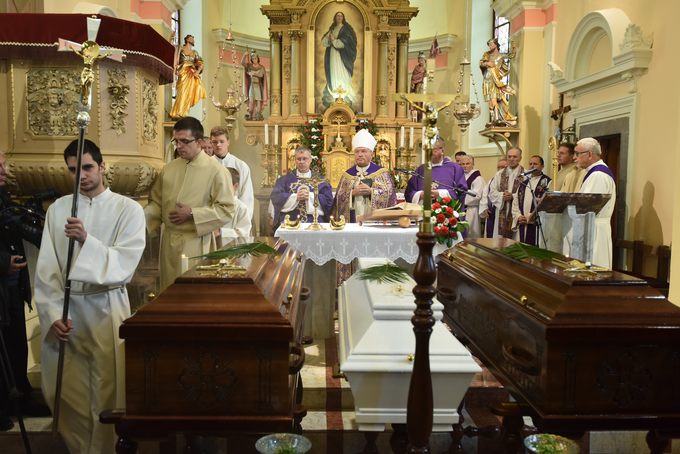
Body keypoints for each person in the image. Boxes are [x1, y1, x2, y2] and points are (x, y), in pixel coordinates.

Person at [35, 140, 145, 453]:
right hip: (68, 311)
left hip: (106, 306)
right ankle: (80, 448)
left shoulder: (128, 209)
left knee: (107, 386)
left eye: (87, 167)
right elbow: (47, 269)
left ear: (101, 166)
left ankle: (107, 448)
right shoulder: (58, 210)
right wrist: (53, 314)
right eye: (73, 170)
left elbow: (124, 263)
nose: (81, 175)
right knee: (67, 389)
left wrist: (86, 240)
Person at [145, 117, 235, 292]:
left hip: (196, 242)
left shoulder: (217, 171)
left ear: (199, 142)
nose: (179, 146)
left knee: (193, 295)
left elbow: (226, 209)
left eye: (185, 142)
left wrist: (193, 214)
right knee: (168, 294)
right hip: (169, 243)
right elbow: (156, 203)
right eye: (176, 141)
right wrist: (136, 221)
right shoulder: (168, 169)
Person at [0, 152, 51, 431]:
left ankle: (22, 397)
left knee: (16, 344)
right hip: (2, 281)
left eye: (4, 165)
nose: (5, 172)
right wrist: (3, 262)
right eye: (0, 167)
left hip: (13, 287)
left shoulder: (3, 196)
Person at [332, 129, 397, 223]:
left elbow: (390, 195)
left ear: (372, 154)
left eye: (363, 151)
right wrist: (352, 193)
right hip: (353, 221)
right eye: (357, 152)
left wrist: (371, 192)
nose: (360, 155)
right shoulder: (347, 175)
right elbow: (338, 199)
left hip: (374, 223)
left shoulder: (382, 173)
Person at [575, 137, 616, 268]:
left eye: (577, 153)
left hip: (594, 229)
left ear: (589, 154)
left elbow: (588, 206)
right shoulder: (593, 173)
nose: (574, 157)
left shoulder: (598, 175)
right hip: (591, 227)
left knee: (594, 268)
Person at [271, 147, 333, 232]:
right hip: (290, 223)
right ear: (295, 160)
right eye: (299, 159)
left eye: (304, 159)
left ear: (310, 159)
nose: (302, 162)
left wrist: (311, 196)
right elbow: (276, 198)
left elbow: (329, 203)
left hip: (315, 224)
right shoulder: (283, 181)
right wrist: (295, 197)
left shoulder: (321, 182)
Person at [405, 138, 467, 207]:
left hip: (446, 215)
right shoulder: (420, 169)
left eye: (432, 150)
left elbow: (461, 192)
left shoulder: (455, 168)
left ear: (442, 151)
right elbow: (409, 193)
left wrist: (440, 194)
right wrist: (420, 195)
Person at [211, 126, 254, 221]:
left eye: (222, 141)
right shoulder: (206, 165)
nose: (218, 145)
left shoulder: (240, 166)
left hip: (235, 216)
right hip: (212, 217)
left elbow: (246, 196)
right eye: (215, 142)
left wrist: (243, 220)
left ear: (228, 142)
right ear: (211, 143)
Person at [511, 155, 552, 246]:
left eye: (535, 164)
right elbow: (515, 203)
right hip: (523, 223)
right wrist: (518, 216)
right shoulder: (523, 183)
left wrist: (531, 217)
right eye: (530, 164)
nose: (532, 166)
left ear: (542, 167)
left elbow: (547, 203)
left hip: (536, 225)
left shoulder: (547, 182)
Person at [321, 11, 358, 108]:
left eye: (341, 16)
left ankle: (345, 95)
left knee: (343, 73)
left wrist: (334, 40)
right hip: (333, 55)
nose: (339, 18)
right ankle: (335, 94)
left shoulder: (345, 30)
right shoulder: (332, 29)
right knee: (334, 72)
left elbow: (347, 43)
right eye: (338, 16)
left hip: (343, 56)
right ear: (335, 17)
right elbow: (324, 42)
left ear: (343, 18)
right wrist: (329, 40)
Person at [480, 38, 517, 127]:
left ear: (496, 45)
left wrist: (514, 48)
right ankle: (493, 119)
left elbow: (511, 55)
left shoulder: (501, 56)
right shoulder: (487, 55)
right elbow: (481, 63)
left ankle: (497, 119)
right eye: (489, 45)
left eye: (492, 44)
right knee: (489, 101)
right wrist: (487, 64)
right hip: (486, 79)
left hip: (494, 80)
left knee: (494, 99)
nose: (490, 46)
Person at [489, 148, 524, 238]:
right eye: (509, 156)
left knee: (516, 239)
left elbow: (527, 195)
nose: (511, 159)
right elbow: (492, 192)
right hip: (502, 210)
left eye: (515, 157)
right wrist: (502, 196)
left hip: (517, 212)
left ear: (520, 158)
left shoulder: (525, 175)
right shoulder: (499, 174)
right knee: (500, 242)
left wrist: (513, 196)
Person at [170, 35, 207, 120]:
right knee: (182, 92)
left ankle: (183, 114)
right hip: (183, 73)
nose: (193, 40)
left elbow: (200, 63)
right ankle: (178, 112)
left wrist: (197, 72)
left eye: (193, 39)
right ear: (187, 40)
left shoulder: (195, 52)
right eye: (191, 39)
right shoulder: (180, 49)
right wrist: (171, 40)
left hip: (191, 74)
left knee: (189, 94)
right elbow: (172, 52)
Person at [219, 167, 252, 242]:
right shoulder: (214, 205)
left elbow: (242, 235)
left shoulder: (241, 208)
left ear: (236, 186)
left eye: (225, 185)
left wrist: (220, 232)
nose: (221, 188)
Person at [481, 159, 507, 238]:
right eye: (498, 167)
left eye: (503, 167)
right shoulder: (492, 181)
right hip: (492, 212)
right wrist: (485, 208)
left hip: (504, 212)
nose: (500, 169)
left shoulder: (511, 181)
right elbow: (485, 195)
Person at [460, 156, 485, 238]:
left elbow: (477, 196)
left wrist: (460, 196)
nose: (465, 166)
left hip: (471, 210)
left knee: (470, 235)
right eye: (463, 164)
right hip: (461, 209)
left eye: (467, 163)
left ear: (473, 164)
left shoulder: (478, 178)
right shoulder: (460, 176)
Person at [241, 50, 269, 121]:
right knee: (251, 100)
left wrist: (253, 74)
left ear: (258, 59)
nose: (254, 60)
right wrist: (245, 55)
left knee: (258, 101)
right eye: (252, 59)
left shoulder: (261, 67)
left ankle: (258, 115)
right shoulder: (250, 66)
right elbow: (242, 62)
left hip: (258, 86)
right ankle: (250, 115)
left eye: (255, 59)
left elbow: (261, 75)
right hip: (252, 86)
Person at [410, 51, 426, 122]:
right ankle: (419, 118)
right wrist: (413, 83)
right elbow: (413, 78)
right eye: (420, 59)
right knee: (418, 104)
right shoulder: (416, 69)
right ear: (418, 60)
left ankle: (424, 117)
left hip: (424, 88)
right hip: (418, 87)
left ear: (425, 60)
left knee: (424, 103)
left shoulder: (426, 69)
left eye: (423, 59)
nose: (421, 61)